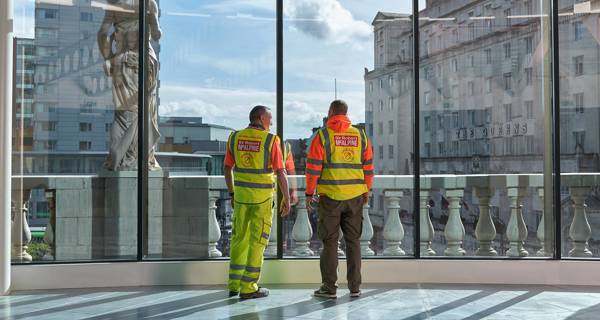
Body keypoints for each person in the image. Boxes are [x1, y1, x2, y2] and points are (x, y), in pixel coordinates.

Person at [305, 100, 374, 299]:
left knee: (330, 243)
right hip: (355, 198)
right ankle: (355, 287)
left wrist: (309, 194)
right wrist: (366, 191)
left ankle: (329, 287)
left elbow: (313, 169)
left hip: (331, 198)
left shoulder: (323, 135)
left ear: (330, 112)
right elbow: (368, 168)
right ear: (346, 113)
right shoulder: (360, 135)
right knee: (353, 243)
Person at [224, 105, 291, 299]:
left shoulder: (235, 137)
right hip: (261, 201)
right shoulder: (271, 140)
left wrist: (231, 193)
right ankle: (249, 287)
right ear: (261, 118)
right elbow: (281, 172)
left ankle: (234, 284)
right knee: (257, 243)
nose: (271, 123)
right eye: (270, 119)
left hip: (241, 199)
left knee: (238, 240)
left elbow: (227, 169)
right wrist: (286, 198)